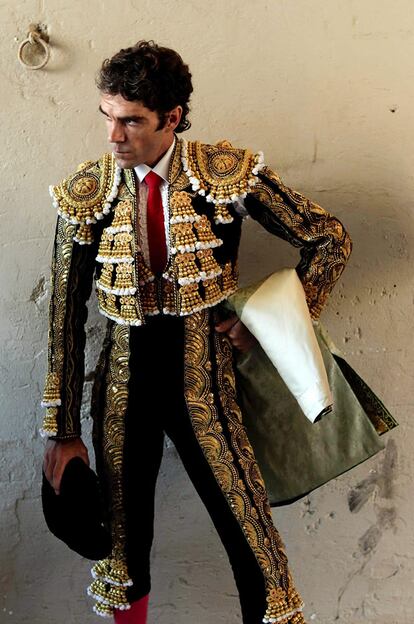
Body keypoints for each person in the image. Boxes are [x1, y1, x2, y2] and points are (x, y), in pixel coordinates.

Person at [41, 40, 352, 624]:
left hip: (204, 385)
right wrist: (60, 431)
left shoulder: (223, 175)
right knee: (122, 554)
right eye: (107, 116)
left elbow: (329, 238)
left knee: (256, 548)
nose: (114, 137)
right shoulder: (87, 192)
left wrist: (270, 323)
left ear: (173, 119)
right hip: (122, 394)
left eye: (131, 121)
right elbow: (64, 315)